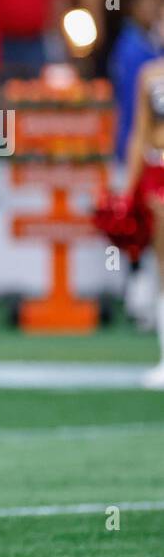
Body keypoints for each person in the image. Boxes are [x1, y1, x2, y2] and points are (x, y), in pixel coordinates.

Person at [123, 40, 164, 389]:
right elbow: (140, 132)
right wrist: (129, 187)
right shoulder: (150, 74)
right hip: (159, 170)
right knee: (162, 263)